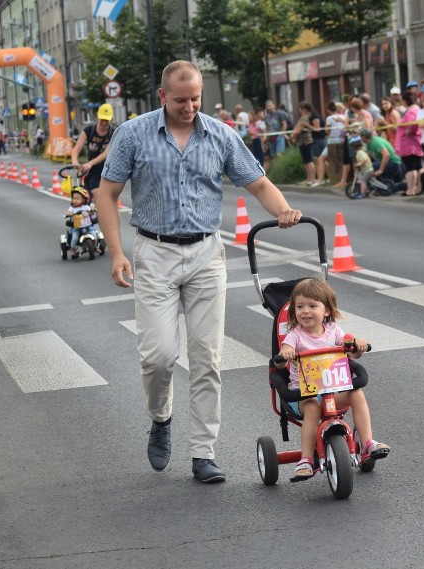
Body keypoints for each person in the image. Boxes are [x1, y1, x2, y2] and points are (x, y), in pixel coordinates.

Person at [96, 60, 302, 484]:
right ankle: (160, 417)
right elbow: (107, 192)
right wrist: (116, 253)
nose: (189, 106)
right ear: (162, 96)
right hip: (154, 253)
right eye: (180, 100)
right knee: (158, 357)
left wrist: (282, 210)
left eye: (195, 99)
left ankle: (203, 453)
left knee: (207, 358)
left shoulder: (220, 134)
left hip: (207, 253)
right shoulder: (132, 134)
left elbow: (258, 182)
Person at [275, 278, 389, 478]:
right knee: (312, 408)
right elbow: (283, 356)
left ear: (326, 310)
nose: (305, 311)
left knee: (357, 393)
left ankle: (368, 443)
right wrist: (285, 354)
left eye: (312, 306)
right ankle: (307, 459)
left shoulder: (334, 331)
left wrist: (357, 346)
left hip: (332, 390)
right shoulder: (295, 336)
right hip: (303, 394)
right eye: (300, 306)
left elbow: (350, 349)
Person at [71, 103, 115, 194]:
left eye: (107, 120)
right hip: (91, 169)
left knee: (99, 195)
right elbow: (77, 148)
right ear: (97, 117)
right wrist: (75, 161)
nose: (104, 123)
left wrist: (89, 164)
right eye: (102, 119)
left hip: (107, 169)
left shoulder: (113, 133)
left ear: (111, 119)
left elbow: (106, 153)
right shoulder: (89, 130)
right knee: (82, 193)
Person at [397, 91, 423, 196]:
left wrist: (409, 130)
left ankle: (411, 189)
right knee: (417, 166)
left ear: (404, 100)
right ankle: (418, 188)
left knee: (410, 167)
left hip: (409, 143)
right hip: (415, 142)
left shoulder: (411, 111)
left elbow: (413, 124)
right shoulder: (416, 109)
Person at [290, 101, 317, 186]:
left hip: (306, 141)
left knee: (309, 160)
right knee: (305, 161)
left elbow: (299, 129)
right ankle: (309, 178)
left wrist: (293, 136)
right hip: (301, 142)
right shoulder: (302, 117)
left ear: (304, 109)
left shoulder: (305, 118)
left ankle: (312, 179)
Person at [64, 188, 97, 258]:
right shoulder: (72, 208)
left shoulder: (85, 207)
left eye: (78, 198)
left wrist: (93, 210)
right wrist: (69, 213)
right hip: (77, 227)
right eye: (74, 198)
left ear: (84, 199)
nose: (75, 200)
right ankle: (72, 249)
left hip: (87, 225)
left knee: (94, 234)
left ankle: (95, 247)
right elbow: (67, 212)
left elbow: (91, 210)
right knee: (74, 238)